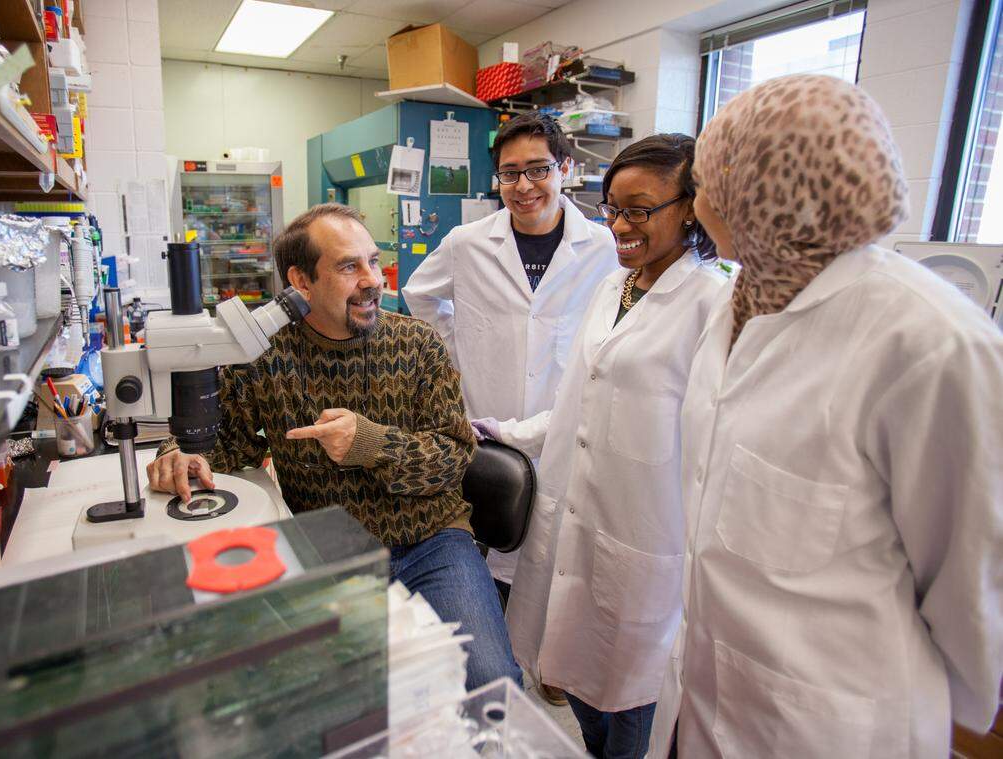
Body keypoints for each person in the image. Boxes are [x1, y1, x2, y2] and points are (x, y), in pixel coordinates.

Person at [647, 75, 1003, 758]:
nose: (697, 205)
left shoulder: (931, 344)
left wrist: (932, 708)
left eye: (707, 184)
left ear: (768, 188)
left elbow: (972, 580)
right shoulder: (741, 295)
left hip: (833, 723)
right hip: (705, 694)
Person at [147, 203, 521, 692]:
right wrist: (176, 453)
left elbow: (453, 459)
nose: (372, 279)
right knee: (326, 697)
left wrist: (369, 443)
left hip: (432, 544)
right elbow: (221, 441)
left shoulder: (418, 344)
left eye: (373, 260)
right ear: (301, 282)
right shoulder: (264, 356)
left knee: (490, 682)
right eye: (349, 267)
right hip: (326, 552)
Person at [484, 134, 727, 758]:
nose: (618, 225)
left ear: (692, 207)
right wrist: (501, 432)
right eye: (612, 208)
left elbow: (718, 450)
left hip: (647, 540)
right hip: (574, 522)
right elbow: (573, 402)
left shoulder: (715, 304)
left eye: (638, 210)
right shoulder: (612, 287)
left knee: (635, 710)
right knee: (576, 678)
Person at [402, 112, 617, 651]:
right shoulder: (468, 242)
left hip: (560, 425)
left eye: (538, 169)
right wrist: (455, 354)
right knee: (495, 542)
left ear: (565, 167)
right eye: (509, 173)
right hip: (489, 422)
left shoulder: (603, 247)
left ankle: (552, 656)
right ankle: (501, 653)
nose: (523, 186)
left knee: (561, 550)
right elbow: (419, 294)